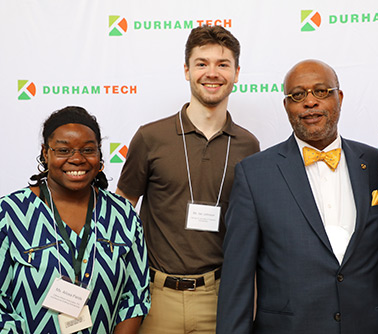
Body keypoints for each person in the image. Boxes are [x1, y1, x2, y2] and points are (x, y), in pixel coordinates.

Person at [216, 59, 378, 333]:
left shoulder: (377, 164)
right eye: (297, 95)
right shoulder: (254, 174)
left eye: (321, 91)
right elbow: (237, 279)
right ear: (286, 105)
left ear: (340, 98)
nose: (310, 102)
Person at [116, 25, 259, 334]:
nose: (212, 73)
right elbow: (122, 211)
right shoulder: (150, 137)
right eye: (201, 63)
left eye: (222, 64)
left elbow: (253, 227)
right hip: (156, 298)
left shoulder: (249, 145)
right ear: (186, 70)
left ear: (236, 72)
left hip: (219, 297)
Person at [0, 106, 150, 333]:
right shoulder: (9, 213)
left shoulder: (122, 214)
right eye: (64, 150)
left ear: (99, 154)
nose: (77, 159)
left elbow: (135, 298)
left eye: (88, 150)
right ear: (45, 153)